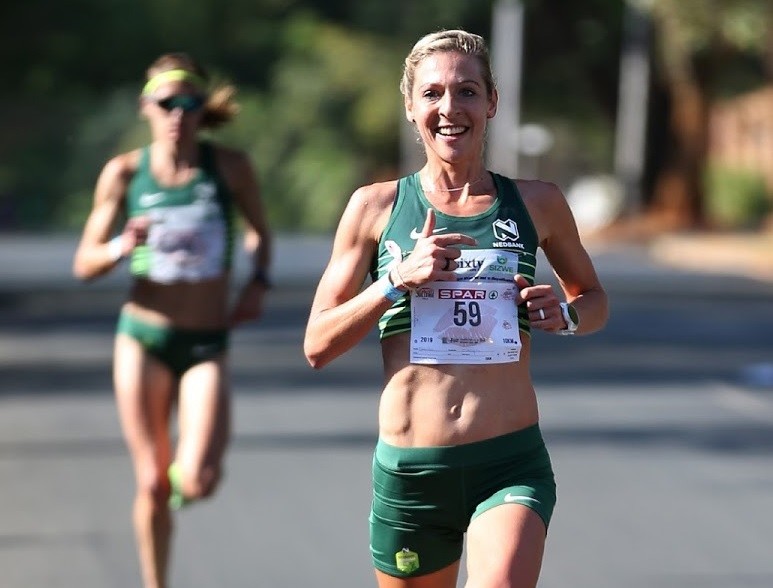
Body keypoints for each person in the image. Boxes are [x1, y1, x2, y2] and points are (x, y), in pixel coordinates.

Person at [304, 29, 608, 588]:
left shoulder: (537, 202)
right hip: (412, 474)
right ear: (410, 106)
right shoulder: (374, 207)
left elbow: (593, 299)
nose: (450, 108)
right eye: (432, 93)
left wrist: (566, 315)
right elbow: (317, 345)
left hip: (509, 463)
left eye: (467, 91)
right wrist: (395, 279)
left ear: (491, 102)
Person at [72, 52, 272, 588]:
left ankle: (185, 475)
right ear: (146, 108)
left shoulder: (230, 167)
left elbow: (259, 232)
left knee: (200, 479)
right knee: (151, 482)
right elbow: (84, 262)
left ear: (203, 108)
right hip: (144, 338)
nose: (178, 114)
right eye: (166, 104)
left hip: (206, 341)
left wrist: (257, 282)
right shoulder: (124, 173)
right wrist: (121, 245)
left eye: (189, 103)